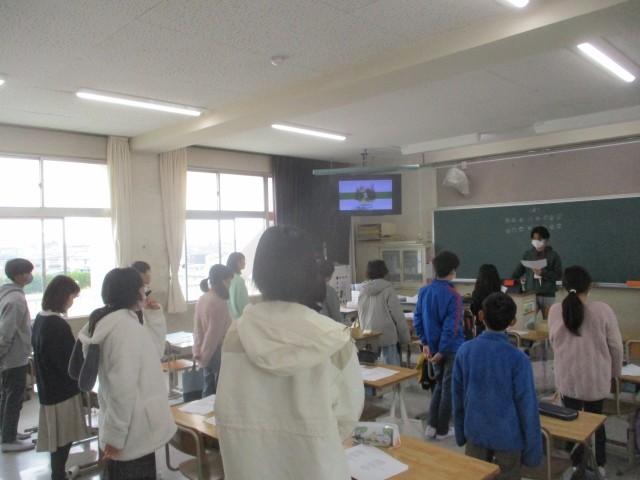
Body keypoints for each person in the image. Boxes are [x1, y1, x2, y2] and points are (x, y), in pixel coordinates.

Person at [215, 226, 364, 479]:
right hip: (316, 467)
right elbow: (347, 419)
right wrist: (310, 439)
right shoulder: (334, 339)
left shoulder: (236, 335)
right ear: (309, 273)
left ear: (259, 273)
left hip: (250, 468)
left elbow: (225, 407)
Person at [75, 268, 175, 479]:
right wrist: (115, 436)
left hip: (135, 431)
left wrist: (153, 315)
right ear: (134, 292)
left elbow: (154, 352)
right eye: (143, 288)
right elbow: (122, 389)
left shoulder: (119, 321)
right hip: (131, 433)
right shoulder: (124, 329)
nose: (145, 292)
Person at [453, 292, 542, 479]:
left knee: (476, 475)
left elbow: (457, 397)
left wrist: (460, 433)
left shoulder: (465, 351)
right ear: (513, 321)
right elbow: (527, 407)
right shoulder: (518, 359)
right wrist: (532, 452)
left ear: (480, 316)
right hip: (508, 438)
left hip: (475, 433)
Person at [548, 266, 623, 478]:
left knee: (571, 419)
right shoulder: (603, 310)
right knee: (595, 420)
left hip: (567, 378)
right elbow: (616, 347)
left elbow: (554, 342)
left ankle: (574, 464)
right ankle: (599, 464)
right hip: (596, 379)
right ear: (590, 286)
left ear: (564, 286)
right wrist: (615, 375)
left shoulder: (555, 310)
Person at [32, 275, 88, 479]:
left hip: (48, 387)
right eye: (72, 297)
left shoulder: (40, 318)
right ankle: (58, 474)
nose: (72, 302)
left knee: (57, 436)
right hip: (62, 390)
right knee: (63, 437)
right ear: (63, 296)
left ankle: (58, 472)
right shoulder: (57, 324)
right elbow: (68, 362)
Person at [413, 251, 463, 440]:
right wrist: (442, 350)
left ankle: (431, 426)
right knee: (448, 388)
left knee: (439, 385)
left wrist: (425, 343)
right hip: (450, 349)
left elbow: (417, 319)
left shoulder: (424, 291)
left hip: (432, 348)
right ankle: (442, 430)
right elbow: (452, 327)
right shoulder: (454, 296)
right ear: (453, 270)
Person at [0, 258, 35, 453]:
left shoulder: (8, 293)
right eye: (27, 272)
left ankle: (7, 432)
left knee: (7, 395)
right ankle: (8, 439)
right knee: (14, 398)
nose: (30, 276)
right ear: (18, 275)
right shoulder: (15, 300)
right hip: (14, 357)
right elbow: (6, 332)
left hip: (12, 356)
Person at [357, 260, 411, 365]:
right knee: (392, 370)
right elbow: (398, 316)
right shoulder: (388, 289)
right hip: (386, 335)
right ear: (384, 272)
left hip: (368, 336)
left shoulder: (363, 291)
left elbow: (361, 315)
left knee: (372, 369)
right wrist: (405, 338)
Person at [193, 264, 233, 396]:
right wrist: (205, 354)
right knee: (220, 390)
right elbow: (213, 333)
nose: (230, 284)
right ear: (224, 281)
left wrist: (198, 350)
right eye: (229, 280)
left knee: (208, 388)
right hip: (216, 349)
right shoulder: (219, 302)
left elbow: (197, 327)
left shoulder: (203, 298)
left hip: (206, 350)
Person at [512, 225, 562, 328]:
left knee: (550, 324)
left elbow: (558, 275)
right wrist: (509, 283)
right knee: (527, 323)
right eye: (534, 238)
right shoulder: (528, 254)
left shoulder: (553, 255)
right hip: (530, 295)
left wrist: (542, 273)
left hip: (548, 295)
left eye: (539, 239)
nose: (536, 241)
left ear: (546, 240)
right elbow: (517, 272)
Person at [469, 264, 502, 336]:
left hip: (481, 329)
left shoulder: (476, 294)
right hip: (498, 328)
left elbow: (474, 311)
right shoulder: (500, 295)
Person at [226, 252, 250, 319]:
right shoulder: (239, 281)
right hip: (239, 320)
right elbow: (244, 305)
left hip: (228, 320)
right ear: (238, 263)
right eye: (243, 260)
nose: (245, 263)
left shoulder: (226, 279)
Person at [131, 261, 154, 325]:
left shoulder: (145, 290)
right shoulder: (134, 293)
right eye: (149, 272)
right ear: (141, 275)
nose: (150, 275)